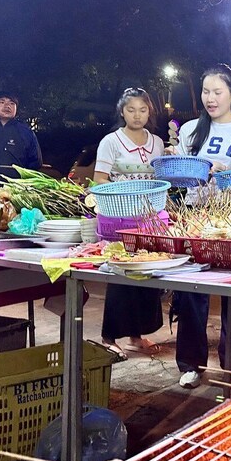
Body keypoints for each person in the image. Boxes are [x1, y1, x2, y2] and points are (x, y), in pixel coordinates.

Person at [171, 64, 231, 388]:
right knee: (191, 291)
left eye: (218, 92)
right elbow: (179, 179)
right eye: (206, 92)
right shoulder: (190, 130)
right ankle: (191, 363)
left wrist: (229, 169)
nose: (210, 99)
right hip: (196, 214)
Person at [94, 87, 166, 359]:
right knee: (121, 275)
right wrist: (122, 193)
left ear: (150, 112)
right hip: (119, 218)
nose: (137, 115)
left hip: (149, 219)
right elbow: (100, 178)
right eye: (131, 110)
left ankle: (137, 335)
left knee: (146, 272)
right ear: (122, 112)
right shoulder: (111, 141)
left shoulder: (157, 142)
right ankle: (109, 336)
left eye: (143, 110)